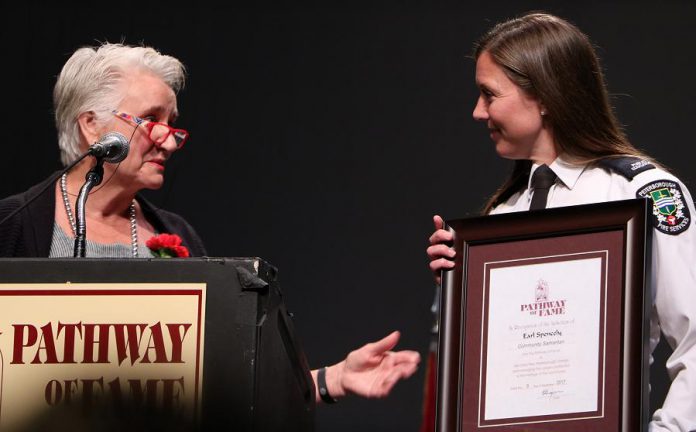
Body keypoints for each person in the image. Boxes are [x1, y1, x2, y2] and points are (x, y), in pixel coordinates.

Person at [0, 42, 419, 408]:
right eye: (151, 119)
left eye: (172, 122)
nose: (168, 139)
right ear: (91, 124)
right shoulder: (15, 225)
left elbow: (228, 381)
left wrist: (332, 379)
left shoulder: (175, 236)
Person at [426, 13, 696, 432]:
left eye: (489, 94)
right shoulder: (501, 217)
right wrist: (460, 296)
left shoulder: (641, 194)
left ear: (546, 96)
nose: (478, 112)